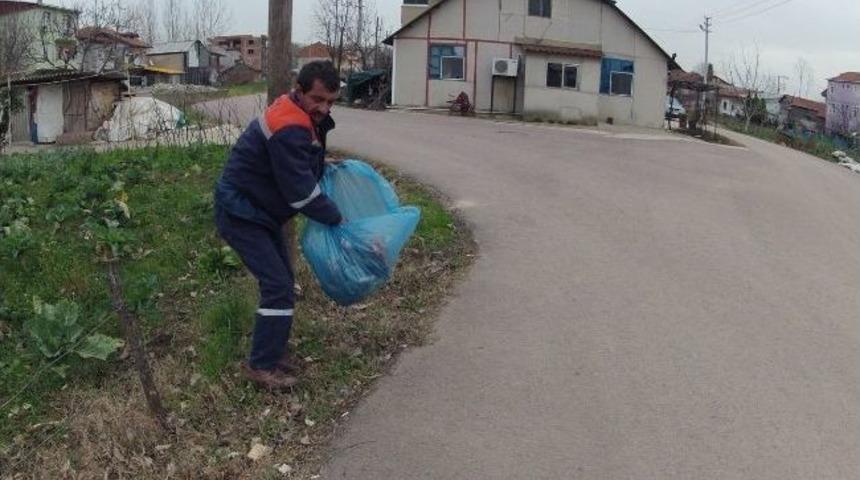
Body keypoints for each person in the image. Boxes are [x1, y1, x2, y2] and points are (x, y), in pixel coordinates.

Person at [214, 61, 343, 390]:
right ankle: (261, 366)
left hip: (259, 210)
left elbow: (296, 159)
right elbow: (301, 194)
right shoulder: (289, 125)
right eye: (318, 99)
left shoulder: (298, 115)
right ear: (299, 91)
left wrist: (322, 164)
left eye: (331, 101)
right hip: (242, 212)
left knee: (282, 283)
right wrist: (339, 218)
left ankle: (271, 353)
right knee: (278, 286)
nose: (324, 108)